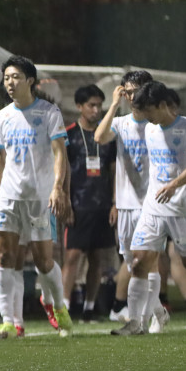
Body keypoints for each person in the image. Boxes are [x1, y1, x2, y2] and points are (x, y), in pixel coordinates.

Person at [0, 55, 73, 339]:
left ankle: (58, 305)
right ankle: (10, 322)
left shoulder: (48, 113)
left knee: (43, 261)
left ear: (30, 81)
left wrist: (58, 188)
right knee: (5, 256)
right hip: (9, 197)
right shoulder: (2, 117)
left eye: (16, 77)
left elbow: (60, 153)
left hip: (39, 198)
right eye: (7, 78)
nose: (10, 83)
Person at [112, 81, 186, 335]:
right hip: (153, 207)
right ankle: (135, 322)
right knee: (138, 261)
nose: (146, 116)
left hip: (181, 209)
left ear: (162, 105)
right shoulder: (150, 129)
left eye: (149, 110)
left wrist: (173, 185)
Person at [93, 71, 153, 325]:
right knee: (130, 262)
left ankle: (142, 317)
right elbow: (99, 137)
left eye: (134, 91)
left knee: (146, 260)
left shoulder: (156, 124)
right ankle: (154, 311)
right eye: (127, 92)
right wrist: (114, 104)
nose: (130, 96)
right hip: (127, 204)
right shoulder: (121, 123)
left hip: (152, 204)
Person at [62, 84, 117, 322]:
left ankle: (89, 308)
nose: (96, 110)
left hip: (102, 204)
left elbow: (113, 170)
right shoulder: (69, 134)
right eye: (91, 105)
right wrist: (65, 202)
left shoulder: (108, 135)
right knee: (73, 256)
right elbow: (62, 171)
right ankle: (63, 309)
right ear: (79, 106)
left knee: (97, 258)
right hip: (78, 204)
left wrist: (114, 202)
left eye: (99, 105)